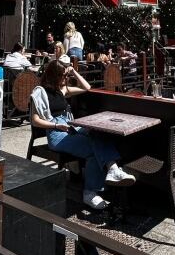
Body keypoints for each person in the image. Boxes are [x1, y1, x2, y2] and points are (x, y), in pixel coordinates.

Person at [29, 59, 135, 209]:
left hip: (69, 125)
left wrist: (73, 71)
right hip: (56, 133)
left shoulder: (63, 89)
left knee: (96, 131)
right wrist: (56, 125)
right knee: (93, 150)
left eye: (66, 76)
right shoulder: (40, 92)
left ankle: (112, 170)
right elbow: (35, 120)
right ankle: (91, 192)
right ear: (54, 75)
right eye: (63, 76)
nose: (66, 79)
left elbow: (86, 87)